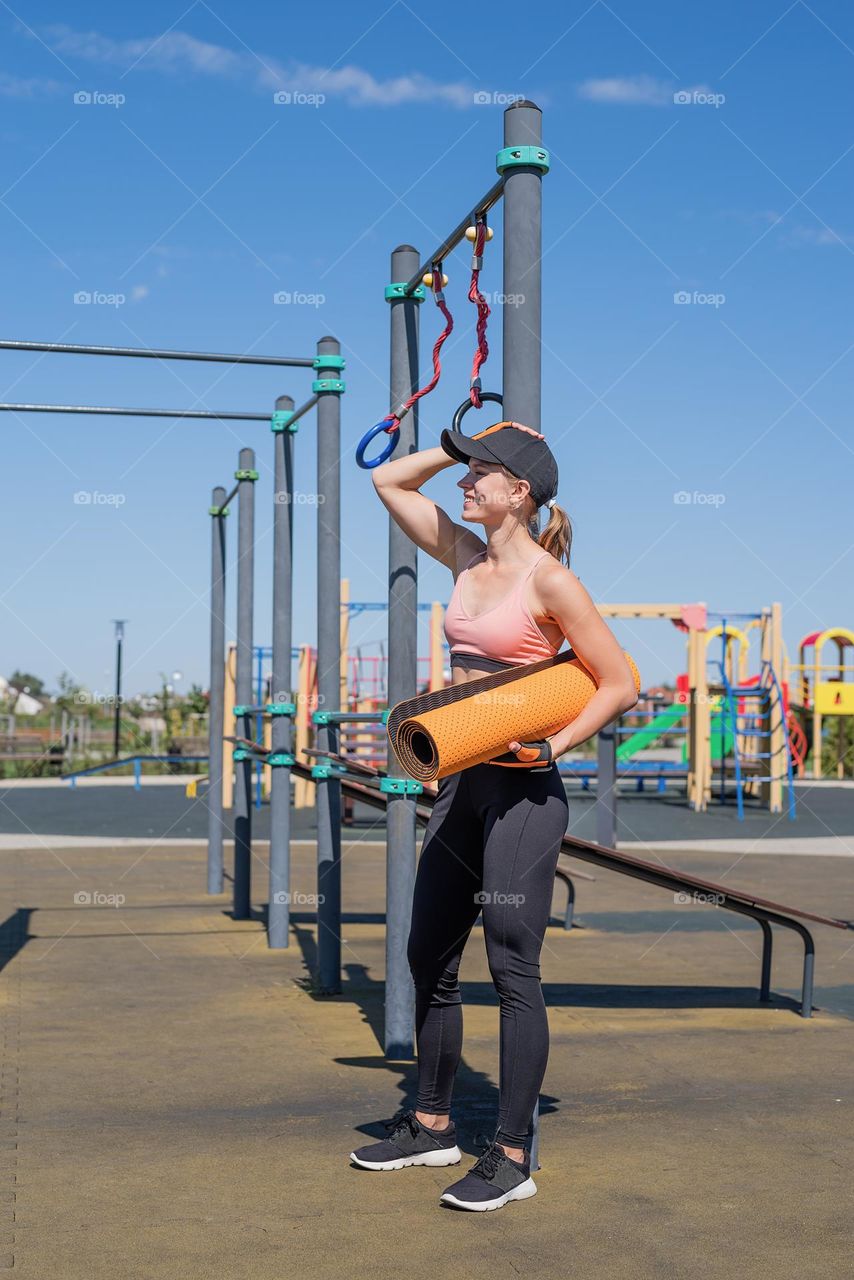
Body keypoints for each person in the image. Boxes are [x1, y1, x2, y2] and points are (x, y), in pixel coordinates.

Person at [349, 420, 638, 1211]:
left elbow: (620, 681)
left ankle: (512, 1155)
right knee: (427, 952)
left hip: (523, 792)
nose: (464, 482)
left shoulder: (551, 582)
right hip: (459, 780)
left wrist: (555, 745)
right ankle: (432, 1123)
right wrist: (456, 441)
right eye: (466, 469)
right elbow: (387, 481)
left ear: (520, 492)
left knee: (511, 965)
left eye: (480, 472)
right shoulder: (464, 556)